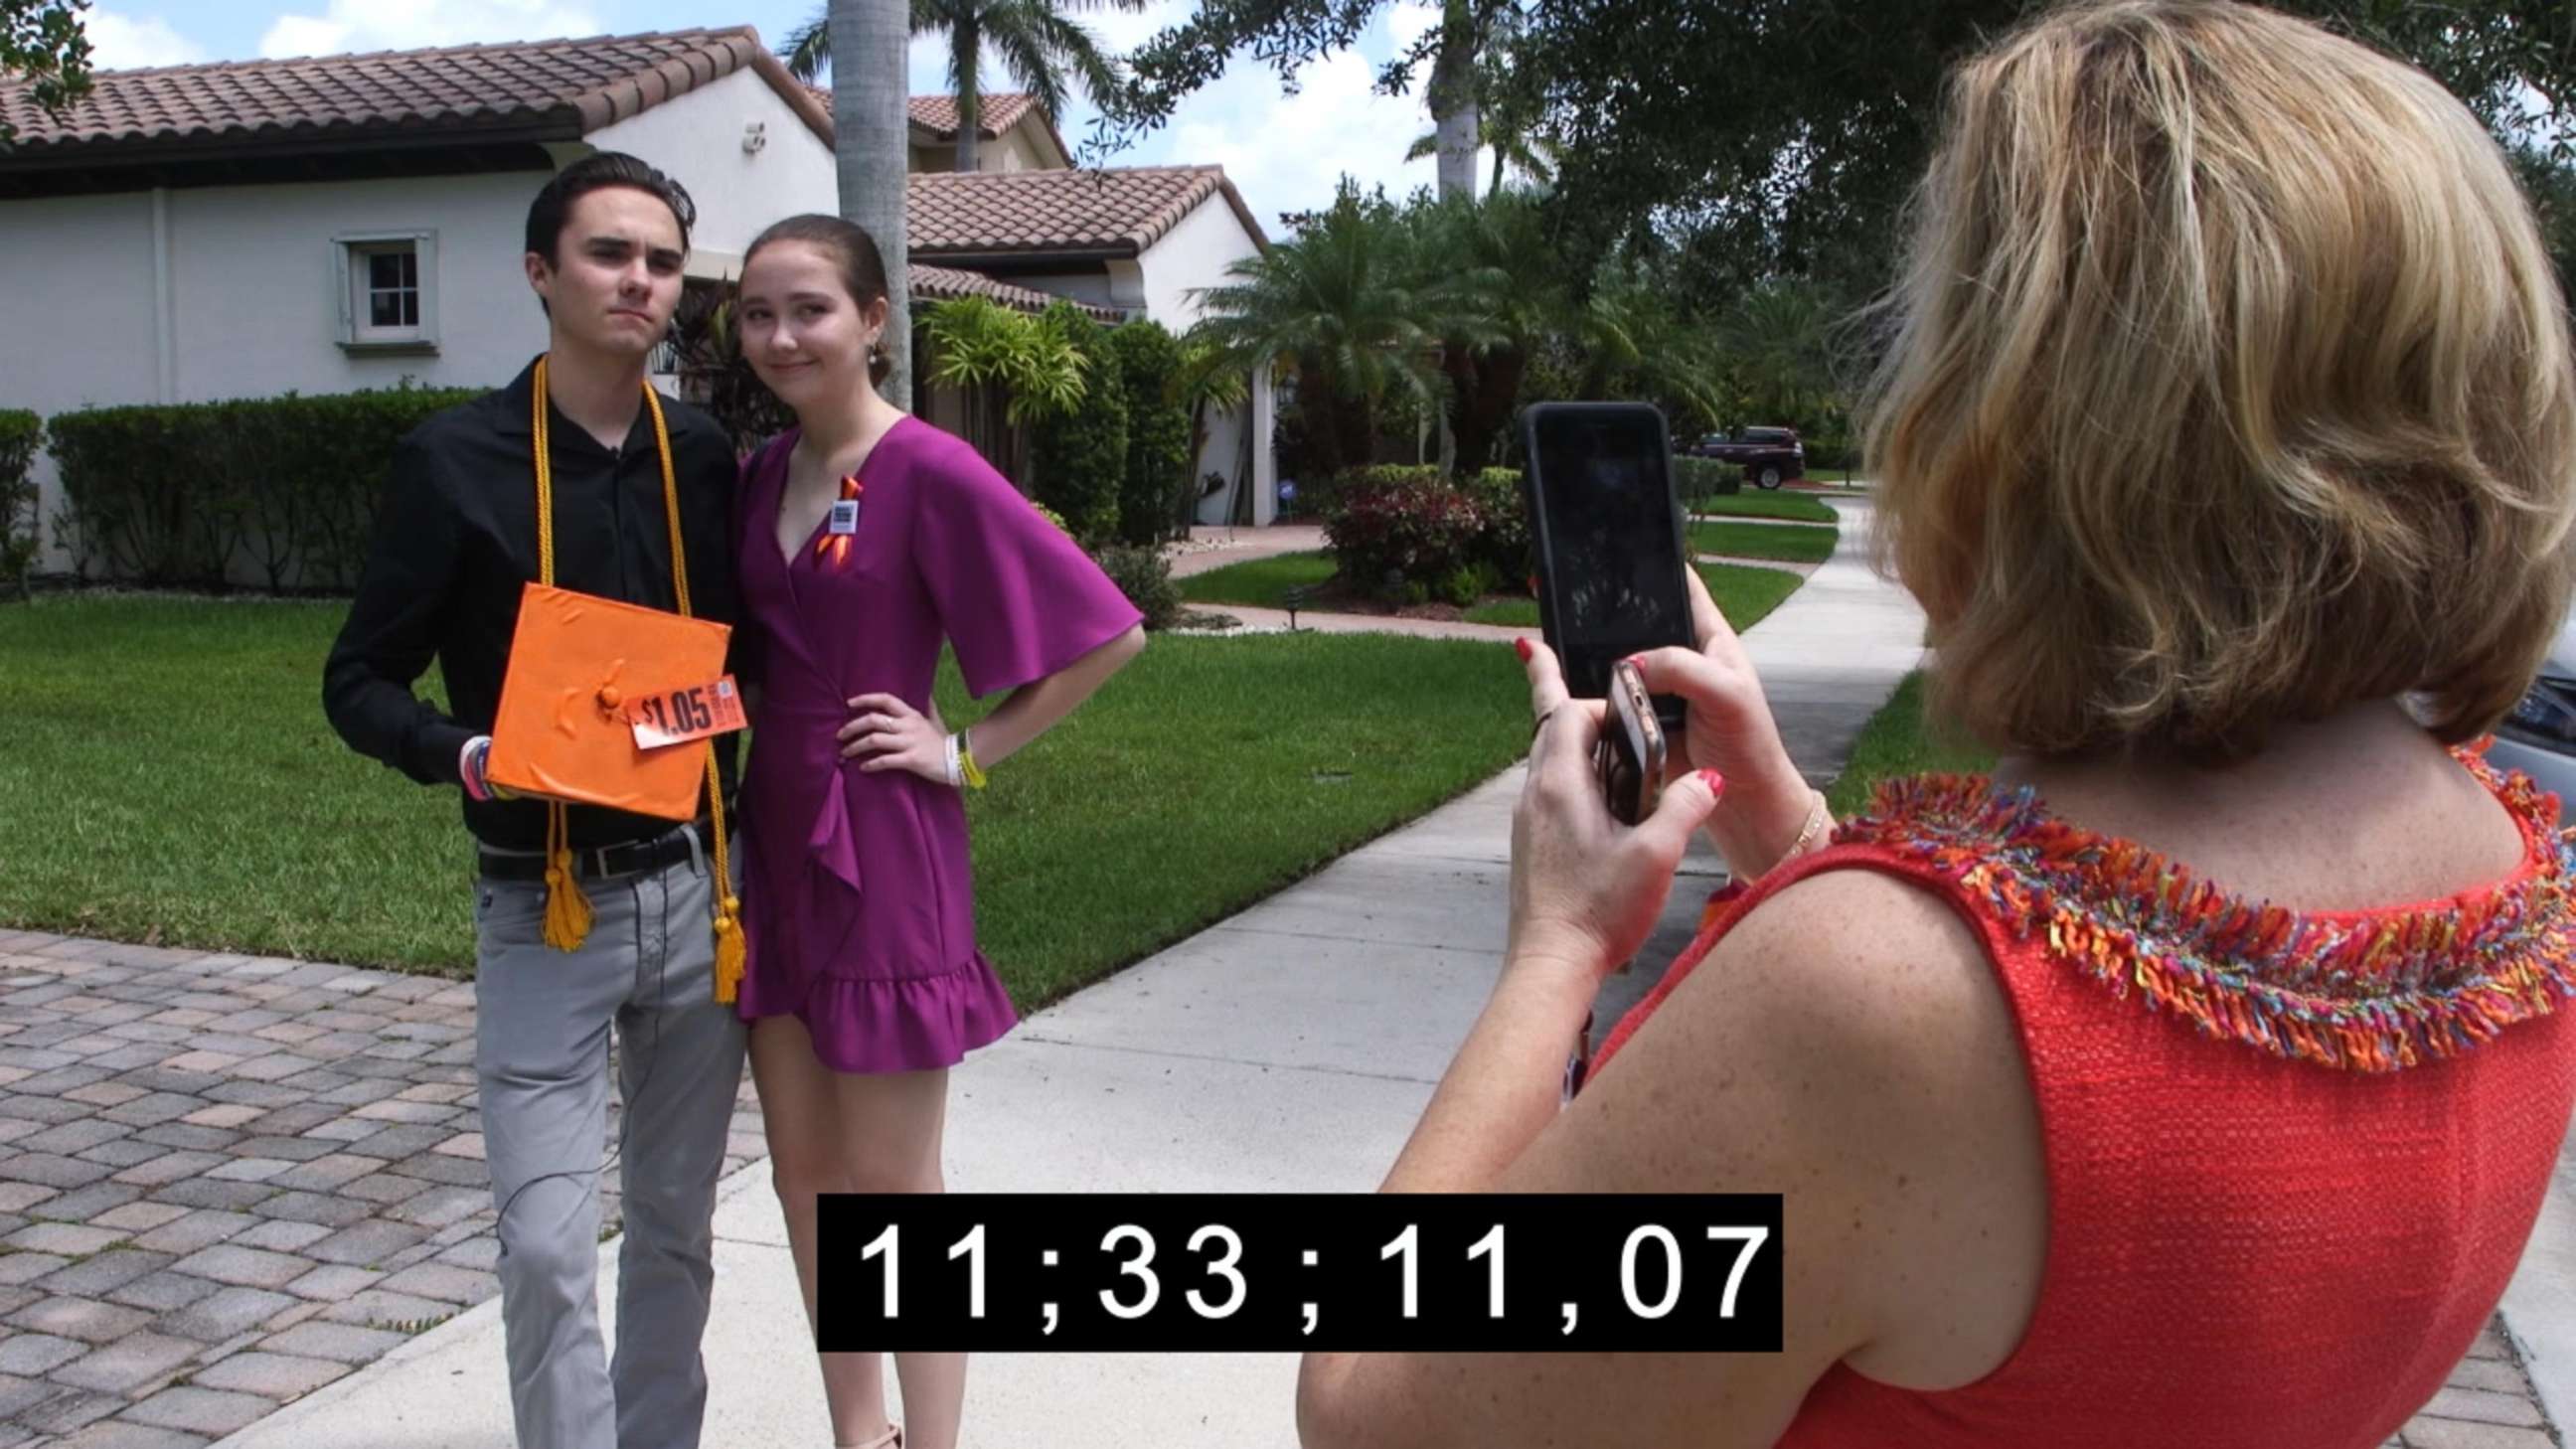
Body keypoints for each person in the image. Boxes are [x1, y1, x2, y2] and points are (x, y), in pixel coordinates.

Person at [1296, 3, 2576, 1445]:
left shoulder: (1863, 1001)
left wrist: (1558, 946)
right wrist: (1787, 833)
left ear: (2024, 417)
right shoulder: (2511, 874)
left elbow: (1380, 1410)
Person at [322, 153, 747, 1449]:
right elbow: (358, 676)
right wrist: (461, 752)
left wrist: (714, 723)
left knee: (674, 1233)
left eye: (662, 261)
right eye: (611, 254)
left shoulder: (702, 455)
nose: (639, 280)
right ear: (540, 273)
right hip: (542, 909)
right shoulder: (453, 460)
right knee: (550, 1246)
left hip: (696, 903)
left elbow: (736, 667)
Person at [727, 213, 1148, 1449]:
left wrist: (964, 750)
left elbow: (1109, 633)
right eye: (757, 312)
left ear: (872, 321)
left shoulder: (931, 470)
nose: (781, 335)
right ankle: (862, 1433)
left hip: (888, 854)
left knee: (895, 1191)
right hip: (774, 848)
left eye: (809, 308)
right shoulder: (762, 473)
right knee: (804, 1179)